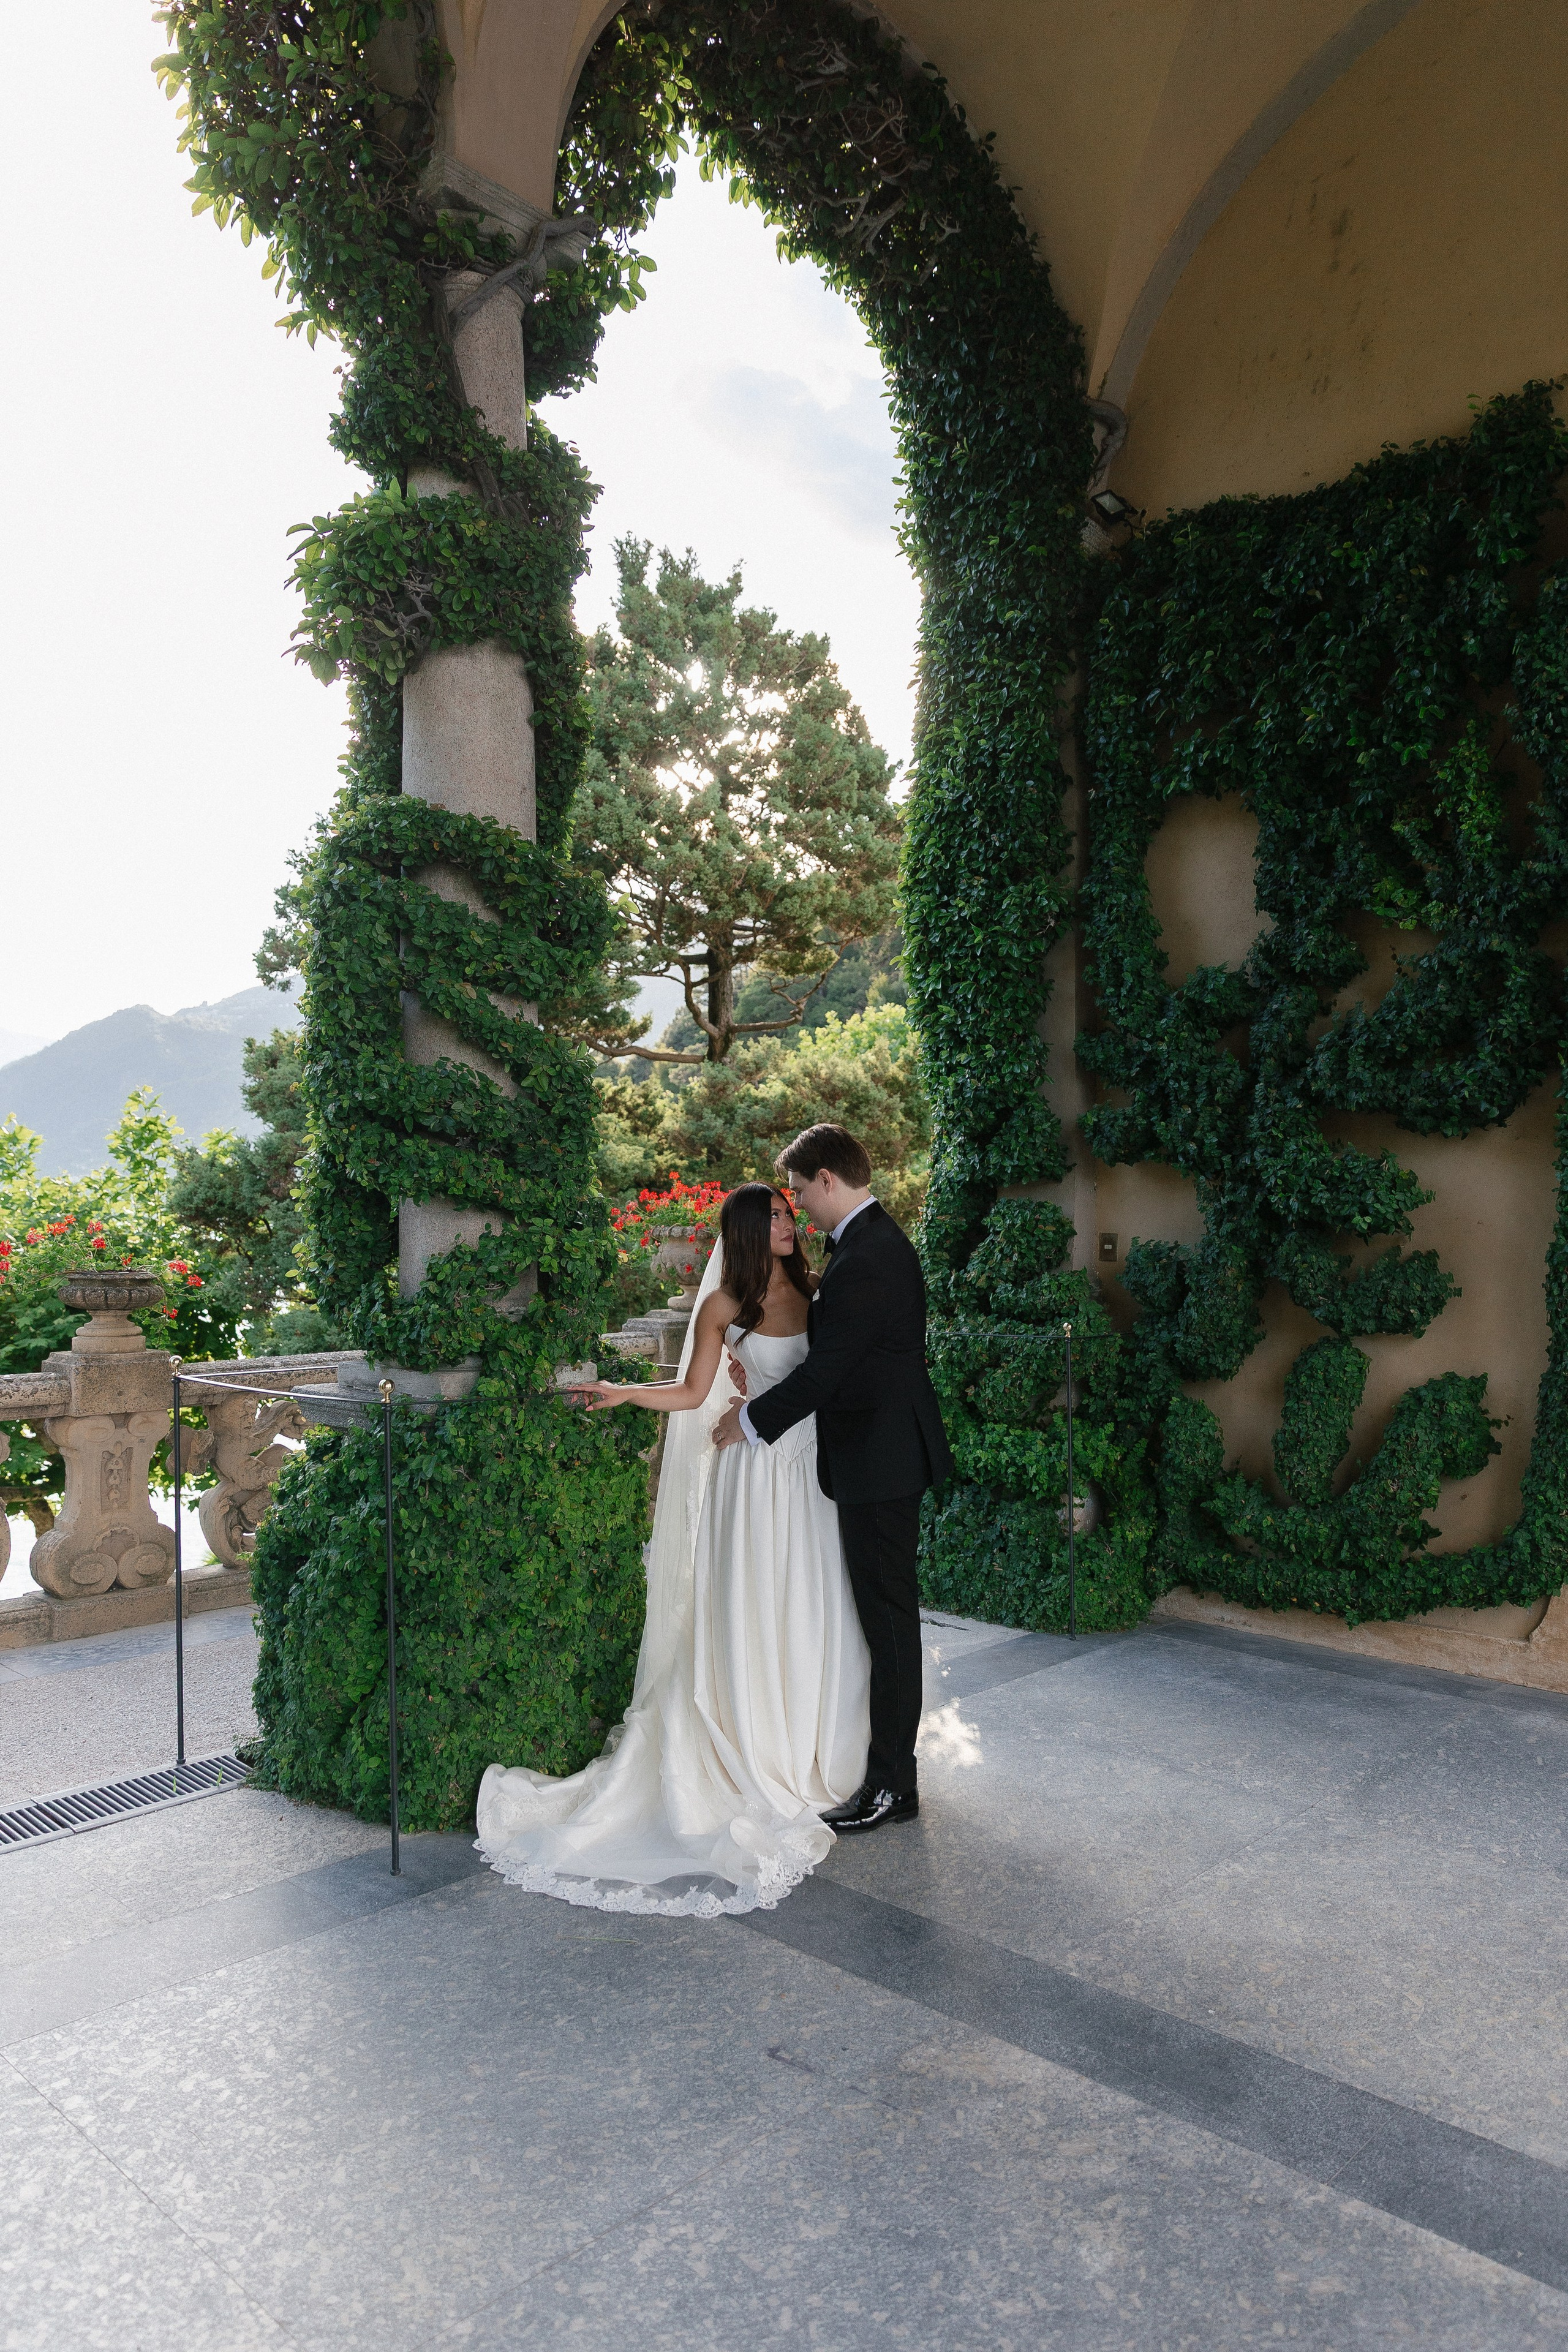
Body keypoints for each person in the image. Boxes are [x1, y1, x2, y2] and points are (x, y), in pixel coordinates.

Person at [475, 1180, 871, 1916]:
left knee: (817, 1600)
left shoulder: (820, 1289)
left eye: (789, 1213)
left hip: (813, 1469)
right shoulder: (724, 1306)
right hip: (753, 1476)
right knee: (757, 1604)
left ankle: (819, 1743)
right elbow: (693, 1395)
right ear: (746, 1231)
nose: (787, 1223)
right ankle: (756, 1742)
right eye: (773, 1218)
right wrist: (625, 1392)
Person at [713, 1122, 952, 1833]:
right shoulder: (865, 1243)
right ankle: (886, 1776)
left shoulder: (867, 1255)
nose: (797, 1208)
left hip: (881, 1460)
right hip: (879, 1453)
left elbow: (825, 1373)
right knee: (883, 1618)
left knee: (888, 1622)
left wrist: (749, 1419)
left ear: (826, 1179)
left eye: (798, 1191)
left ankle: (892, 1787)